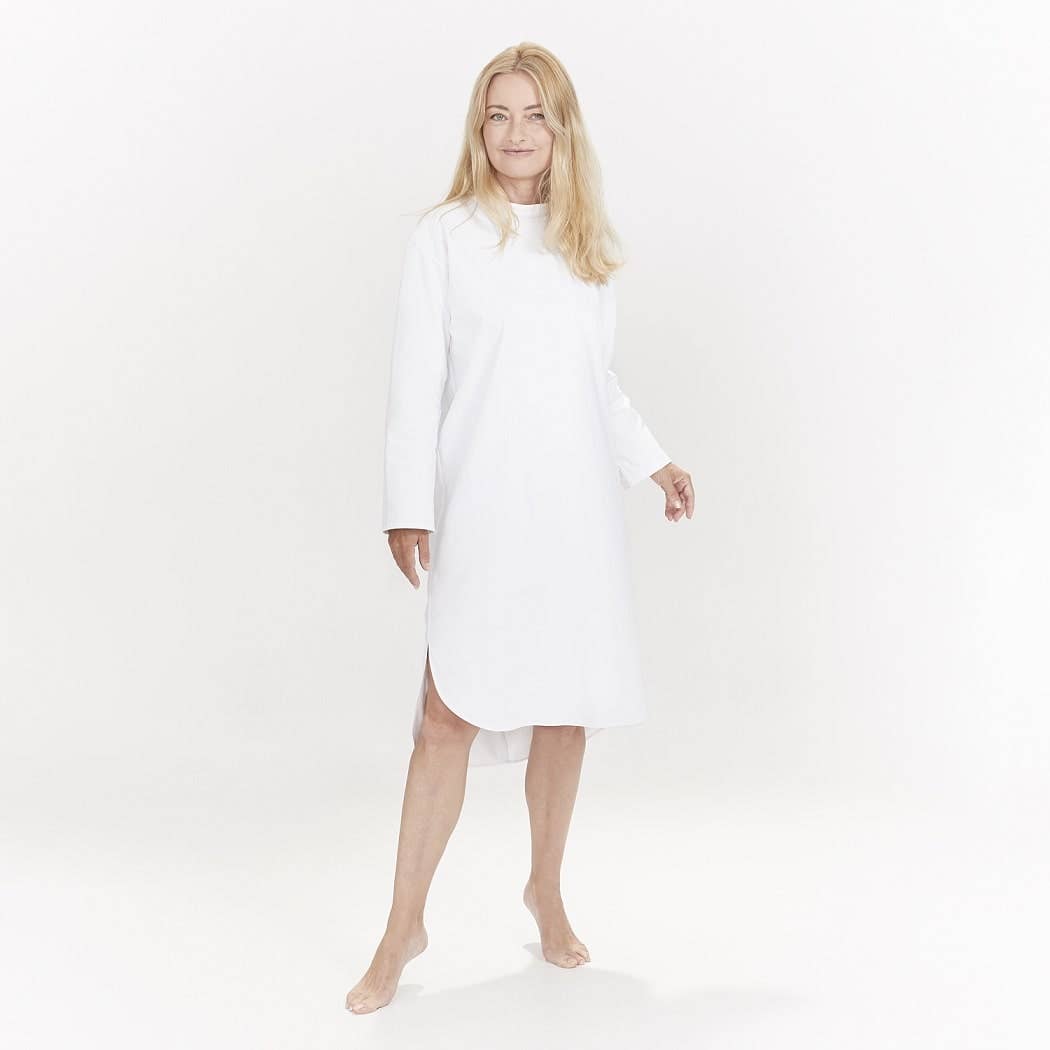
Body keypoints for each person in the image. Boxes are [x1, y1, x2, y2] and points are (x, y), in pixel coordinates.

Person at [347, 42, 694, 1015]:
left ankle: (546, 889)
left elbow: (596, 383)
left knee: (564, 706)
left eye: (534, 114)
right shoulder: (447, 238)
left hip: (575, 510)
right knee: (446, 714)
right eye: (498, 114)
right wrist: (407, 507)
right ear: (479, 127)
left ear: (562, 127)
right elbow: (416, 382)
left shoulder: (585, 247)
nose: (515, 133)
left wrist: (656, 461)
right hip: (485, 506)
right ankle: (401, 928)